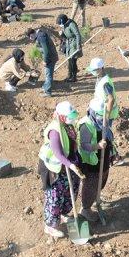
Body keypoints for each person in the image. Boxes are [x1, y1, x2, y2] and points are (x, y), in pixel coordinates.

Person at [36, 101, 83, 238]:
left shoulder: (67, 125)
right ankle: (50, 226)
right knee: (55, 195)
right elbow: (58, 154)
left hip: (67, 162)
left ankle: (62, 214)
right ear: (61, 116)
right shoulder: (54, 131)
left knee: (69, 190)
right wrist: (71, 165)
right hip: (54, 167)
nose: (72, 119)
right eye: (70, 116)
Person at [77, 98, 110, 220]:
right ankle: (85, 209)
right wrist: (97, 146)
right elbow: (84, 146)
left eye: (103, 115)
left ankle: (96, 198)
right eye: (99, 115)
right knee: (91, 184)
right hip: (91, 162)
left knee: (102, 180)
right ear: (92, 112)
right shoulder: (86, 126)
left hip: (103, 158)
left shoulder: (102, 120)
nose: (102, 117)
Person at [85, 58, 120, 127]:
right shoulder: (99, 77)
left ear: (100, 69)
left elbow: (111, 99)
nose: (92, 72)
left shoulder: (105, 83)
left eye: (94, 70)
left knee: (104, 131)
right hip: (99, 110)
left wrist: (106, 117)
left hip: (103, 114)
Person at [28, 27, 58, 97]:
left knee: (48, 75)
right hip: (50, 57)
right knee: (47, 73)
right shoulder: (40, 35)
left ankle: (48, 92)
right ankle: (45, 87)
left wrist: (45, 60)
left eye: (30, 37)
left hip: (50, 58)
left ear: (32, 34)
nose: (30, 39)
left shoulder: (41, 37)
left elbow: (46, 50)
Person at [57, 14, 82, 82]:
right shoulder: (65, 25)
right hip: (69, 44)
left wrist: (78, 45)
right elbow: (66, 36)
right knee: (69, 60)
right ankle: (70, 75)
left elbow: (77, 34)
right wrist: (62, 34)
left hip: (74, 45)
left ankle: (74, 77)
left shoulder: (72, 24)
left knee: (73, 61)